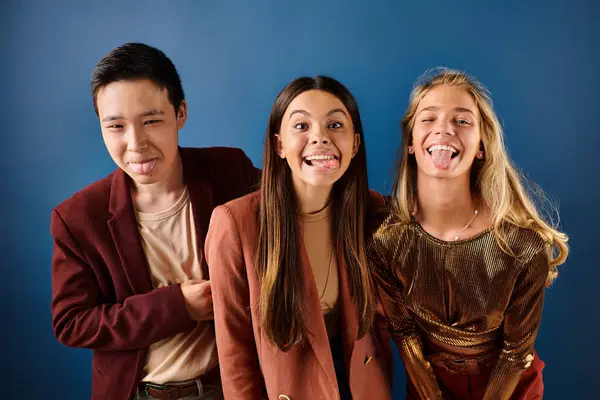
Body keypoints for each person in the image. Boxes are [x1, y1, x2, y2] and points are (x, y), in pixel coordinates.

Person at [50, 43, 259, 400]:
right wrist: (178, 306)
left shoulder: (229, 172)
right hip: (138, 393)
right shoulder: (77, 218)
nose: (136, 144)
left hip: (232, 388)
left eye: (151, 121)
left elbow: (293, 206)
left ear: (180, 114)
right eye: (116, 126)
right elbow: (72, 323)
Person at [368, 68, 569, 399]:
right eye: (429, 119)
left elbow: (516, 352)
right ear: (411, 143)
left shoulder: (521, 245)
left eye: (462, 121)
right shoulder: (385, 240)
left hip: (509, 387)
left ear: (481, 147)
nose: (444, 129)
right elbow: (403, 332)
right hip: (429, 385)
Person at [205, 76, 392, 400]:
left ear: (355, 144)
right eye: (302, 126)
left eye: (335, 124)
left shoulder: (373, 210)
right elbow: (235, 355)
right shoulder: (235, 223)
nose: (320, 137)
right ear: (279, 145)